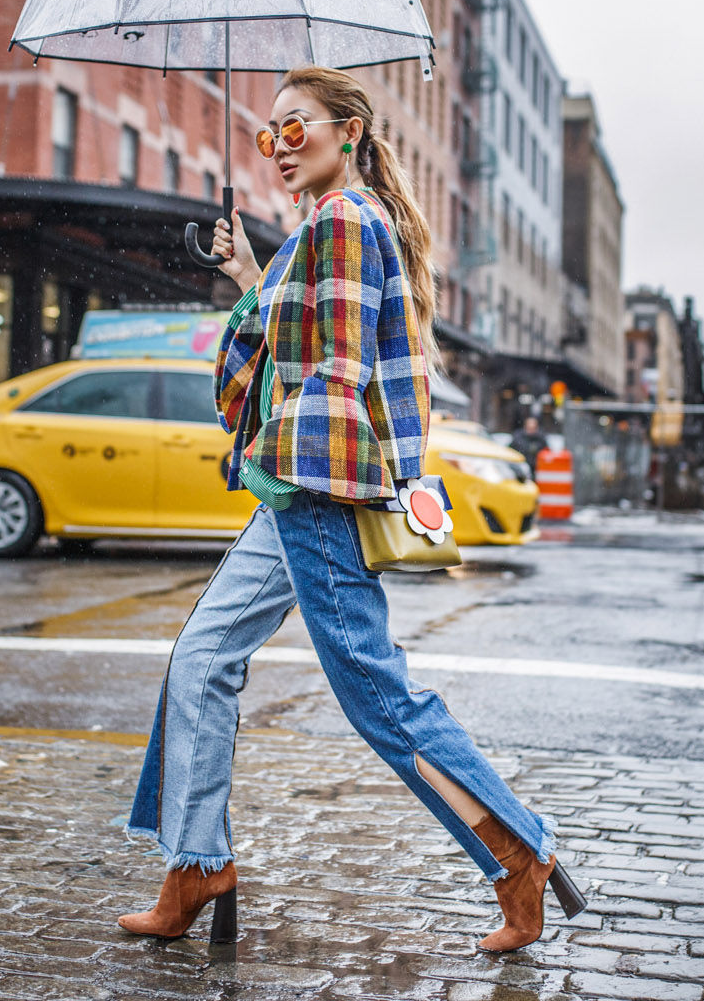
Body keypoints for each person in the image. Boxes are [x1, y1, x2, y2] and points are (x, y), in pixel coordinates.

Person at [118, 65, 584, 952]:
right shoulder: (335, 226)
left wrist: (280, 441)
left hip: (315, 485)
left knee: (377, 695)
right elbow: (309, 339)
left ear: (349, 132)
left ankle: (517, 854)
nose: (279, 148)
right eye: (268, 134)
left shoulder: (340, 218)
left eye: (297, 128)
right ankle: (195, 862)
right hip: (293, 484)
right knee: (201, 656)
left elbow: (332, 369)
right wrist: (252, 272)